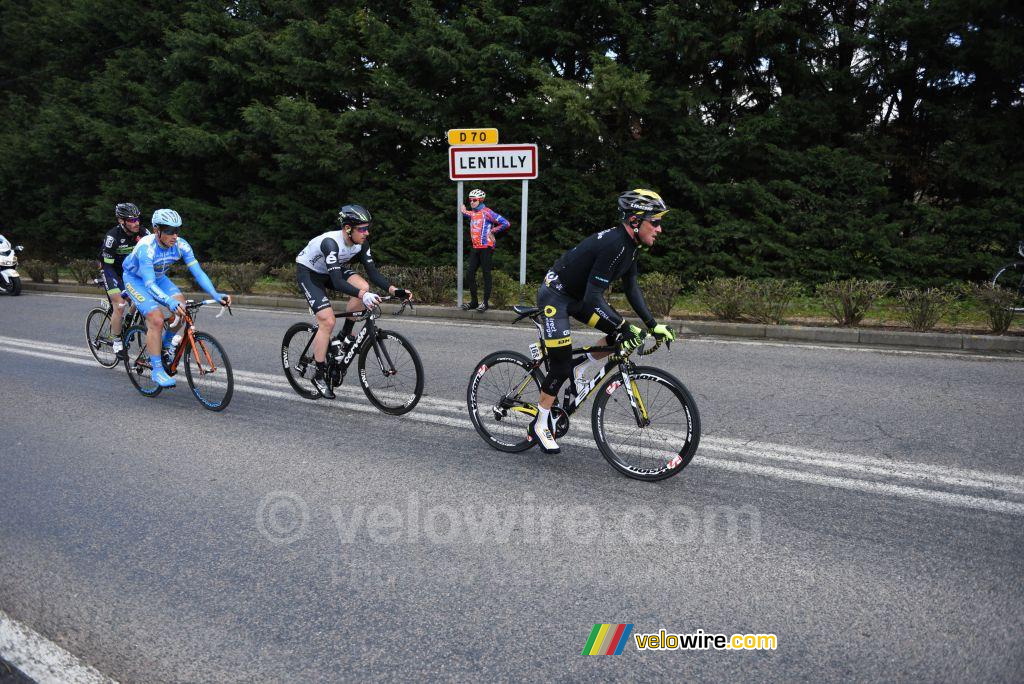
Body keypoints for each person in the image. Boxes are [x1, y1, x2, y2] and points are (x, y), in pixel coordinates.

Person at [528, 189, 678, 454]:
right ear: (635, 221)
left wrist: (652, 324)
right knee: (560, 365)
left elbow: (631, 287)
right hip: (556, 297)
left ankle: (580, 368)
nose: (659, 229)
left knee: (621, 335)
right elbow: (594, 297)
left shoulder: (630, 246)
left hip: (578, 297)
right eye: (655, 222)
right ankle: (540, 424)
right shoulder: (614, 245)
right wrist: (624, 325)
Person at [295, 204, 412, 399]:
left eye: (368, 228)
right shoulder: (331, 243)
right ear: (348, 229)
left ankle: (344, 335)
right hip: (310, 273)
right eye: (362, 229)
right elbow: (337, 282)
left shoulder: (361, 243)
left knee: (363, 286)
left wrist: (394, 290)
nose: (367, 233)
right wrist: (363, 296)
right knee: (327, 321)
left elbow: (372, 272)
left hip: (331, 270)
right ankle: (319, 374)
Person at [122, 209, 231, 388]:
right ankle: (157, 370)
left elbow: (198, 273)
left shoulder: (181, 245)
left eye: (177, 230)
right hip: (137, 280)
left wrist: (215, 294)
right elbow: (149, 284)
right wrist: (169, 301)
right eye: (169, 231)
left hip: (158, 278)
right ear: (156, 230)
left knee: (182, 310)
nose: (174, 235)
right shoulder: (146, 248)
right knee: (156, 320)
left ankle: (165, 346)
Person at [100, 202, 150, 357]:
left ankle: (129, 319)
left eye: (137, 219)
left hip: (131, 273)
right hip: (112, 272)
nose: (137, 223)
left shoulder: (144, 233)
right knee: (120, 304)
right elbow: (107, 266)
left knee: (142, 297)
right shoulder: (112, 237)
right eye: (132, 220)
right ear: (121, 221)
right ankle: (116, 341)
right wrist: (122, 289)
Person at [460, 189, 510, 312]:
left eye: (474, 200)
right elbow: (467, 213)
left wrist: (492, 231)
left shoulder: (487, 212)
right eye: (470, 200)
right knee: (469, 273)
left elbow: (505, 223)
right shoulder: (473, 213)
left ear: (481, 200)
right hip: (476, 247)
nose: (472, 202)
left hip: (486, 247)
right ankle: (474, 302)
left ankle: (485, 303)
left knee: (486, 274)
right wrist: (463, 210)